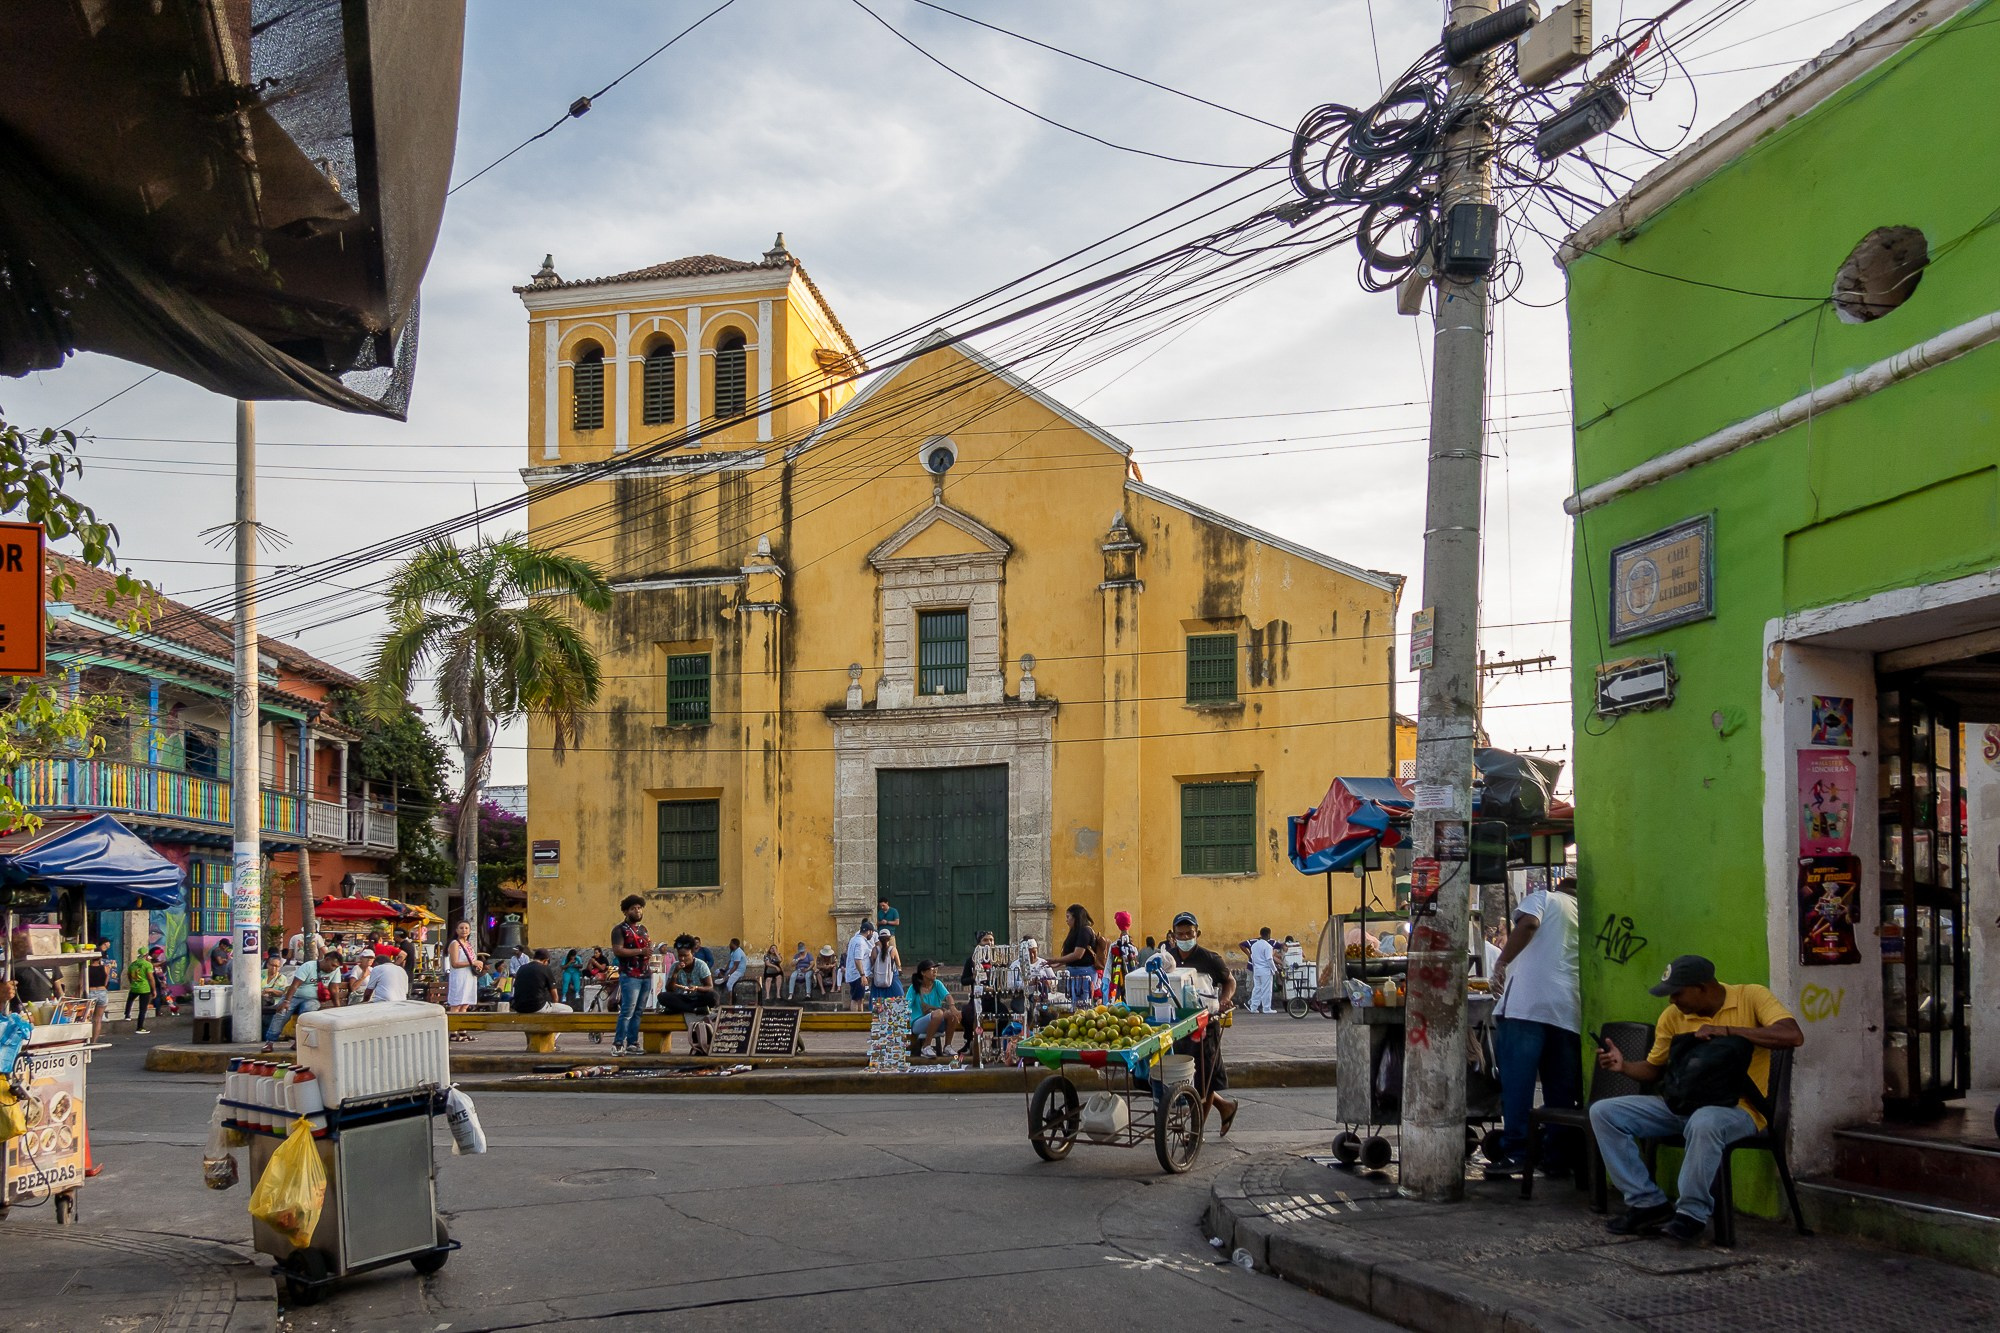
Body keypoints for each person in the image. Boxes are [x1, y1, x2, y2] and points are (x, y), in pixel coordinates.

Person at [1589, 955, 1804, 1241]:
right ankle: (1647, 1203)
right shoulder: (1673, 1017)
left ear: (1702, 987)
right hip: (1680, 1106)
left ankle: (1691, 1214)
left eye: (1677, 993)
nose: (1671, 1001)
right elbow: (1654, 1070)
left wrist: (1728, 1031)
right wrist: (1624, 1065)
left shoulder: (1751, 997)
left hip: (1738, 1110)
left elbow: (1792, 1035)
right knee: (1603, 1112)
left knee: (1704, 1122)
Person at [1484, 875, 1583, 1180]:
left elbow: (1528, 925)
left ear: (1560, 886)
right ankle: (1557, 1157)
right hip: (1567, 1010)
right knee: (1560, 1091)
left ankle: (1516, 1152)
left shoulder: (1545, 898)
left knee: (1518, 1086)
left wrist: (1501, 963)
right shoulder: (1585, 913)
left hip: (1526, 1006)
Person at [1164, 911, 1239, 1136]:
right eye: (1180, 934)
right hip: (1177, 1026)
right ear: (1173, 935)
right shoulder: (1167, 958)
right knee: (1187, 1075)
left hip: (1206, 1026)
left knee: (1205, 1080)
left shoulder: (1210, 958)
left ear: (1197, 933)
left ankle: (1196, 1132)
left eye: (1189, 933)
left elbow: (1230, 981)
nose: (1185, 937)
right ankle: (1226, 1107)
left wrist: (1225, 999)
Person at [610, 895, 654, 1055]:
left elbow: (647, 946)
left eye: (639, 908)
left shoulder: (643, 929)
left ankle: (633, 1043)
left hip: (645, 974)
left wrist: (648, 951)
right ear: (625, 911)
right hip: (630, 975)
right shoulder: (619, 929)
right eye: (633, 908)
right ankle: (618, 1043)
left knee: (639, 1011)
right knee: (627, 1010)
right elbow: (618, 950)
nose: (637, 911)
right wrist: (641, 951)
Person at [262, 949, 321, 1048]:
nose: (274, 968)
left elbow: (285, 990)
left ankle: (299, 1041)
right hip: (284, 999)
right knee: (282, 1012)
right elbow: (293, 987)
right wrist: (286, 1001)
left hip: (308, 999)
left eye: (276, 966)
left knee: (307, 1012)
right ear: (267, 965)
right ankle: (270, 1041)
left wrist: (271, 991)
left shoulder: (282, 978)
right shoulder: (260, 974)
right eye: (271, 965)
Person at [1052, 904, 1106, 1004]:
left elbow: (1078, 954)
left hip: (1083, 972)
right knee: (1073, 1002)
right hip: (1074, 971)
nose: (1066, 920)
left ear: (1076, 917)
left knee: (1083, 1003)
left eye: (1068, 917)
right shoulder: (1076, 931)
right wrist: (1059, 963)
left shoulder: (1085, 931)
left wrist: (1056, 960)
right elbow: (1071, 953)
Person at [906, 959, 959, 1056]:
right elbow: (906, 1005)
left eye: (936, 969)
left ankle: (947, 1046)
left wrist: (952, 1006)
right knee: (939, 1013)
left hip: (936, 1020)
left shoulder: (937, 984)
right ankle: (926, 1046)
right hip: (919, 1023)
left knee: (950, 1014)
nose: (935, 971)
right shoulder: (914, 988)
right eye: (931, 969)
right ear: (923, 973)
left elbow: (947, 996)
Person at [659, 935, 718, 1014]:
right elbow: (669, 989)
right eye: (680, 955)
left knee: (713, 996)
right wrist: (675, 973)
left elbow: (710, 987)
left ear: (692, 953)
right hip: (682, 997)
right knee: (662, 997)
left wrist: (697, 988)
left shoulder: (701, 965)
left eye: (686, 955)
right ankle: (695, 1010)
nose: (682, 959)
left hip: (698, 998)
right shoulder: (675, 966)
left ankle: (679, 1008)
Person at [445, 921, 482, 1038]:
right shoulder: (455, 944)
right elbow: (455, 963)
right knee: (456, 1004)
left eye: (466, 928)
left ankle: (462, 1029)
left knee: (465, 1004)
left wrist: (477, 965)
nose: (464, 930)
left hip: (469, 977)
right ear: (456, 930)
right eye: (461, 928)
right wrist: (473, 962)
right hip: (459, 977)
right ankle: (453, 1030)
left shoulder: (468, 945)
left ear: (470, 931)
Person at [511, 949, 570, 1015]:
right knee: (568, 1010)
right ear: (545, 960)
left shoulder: (521, 968)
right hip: (537, 1007)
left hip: (519, 1008)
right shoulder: (545, 969)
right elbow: (555, 997)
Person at [843, 920, 876, 1012]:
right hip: (857, 975)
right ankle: (855, 1019)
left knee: (860, 999)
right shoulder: (861, 942)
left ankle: (860, 1015)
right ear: (869, 931)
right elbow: (858, 959)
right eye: (872, 932)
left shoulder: (854, 939)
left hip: (853, 973)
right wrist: (862, 975)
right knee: (856, 998)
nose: (872, 935)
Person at [1246, 927, 1278, 1014]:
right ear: (1268, 935)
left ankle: (1253, 1007)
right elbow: (1269, 959)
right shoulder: (1268, 946)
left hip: (1256, 970)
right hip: (1265, 971)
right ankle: (1266, 1008)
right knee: (1266, 989)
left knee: (1257, 989)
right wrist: (1274, 970)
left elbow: (1252, 957)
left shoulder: (1254, 945)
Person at [122, 948, 156, 1031]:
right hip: (144, 988)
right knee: (142, 1009)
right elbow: (151, 978)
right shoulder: (147, 965)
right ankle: (140, 1027)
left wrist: (132, 983)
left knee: (130, 1000)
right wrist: (154, 989)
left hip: (134, 986)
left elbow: (129, 975)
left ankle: (127, 1014)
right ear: (146, 955)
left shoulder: (133, 964)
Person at [869, 928, 903, 1001]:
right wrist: (900, 970)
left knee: (878, 1004)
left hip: (877, 980)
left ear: (879, 939)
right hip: (892, 979)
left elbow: (872, 963)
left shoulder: (875, 950)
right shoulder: (893, 950)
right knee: (898, 1000)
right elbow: (898, 964)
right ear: (889, 938)